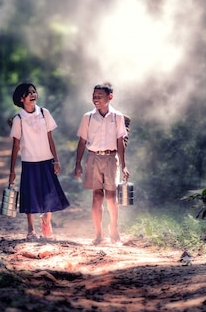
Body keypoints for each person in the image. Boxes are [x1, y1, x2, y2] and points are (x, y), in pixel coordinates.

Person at [9, 83, 70, 240]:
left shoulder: (44, 113)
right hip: (29, 162)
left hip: (46, 160)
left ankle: (46, 222)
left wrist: (56, 161)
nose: (33, 94)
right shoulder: (18, 119)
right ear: (22, 99)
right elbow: (15, 146)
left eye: (34, 91)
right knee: (30, 194)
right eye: (28, 93)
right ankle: (30, 229)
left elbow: (50, 138)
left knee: (48, 193)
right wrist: (12, 171)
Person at [74, 82, 130, 245]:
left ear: (110, 97)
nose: (95, 99)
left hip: (112, 158)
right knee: (97, 196)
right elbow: (82, 141)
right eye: (94, 96)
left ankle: (114, 228)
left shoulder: (117, 117)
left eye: (99, 96)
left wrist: (124, 164)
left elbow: (120, 142)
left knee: (112, 196)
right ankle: (98, 234)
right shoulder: (88, 117)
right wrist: (78, 163)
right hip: (93, 158)